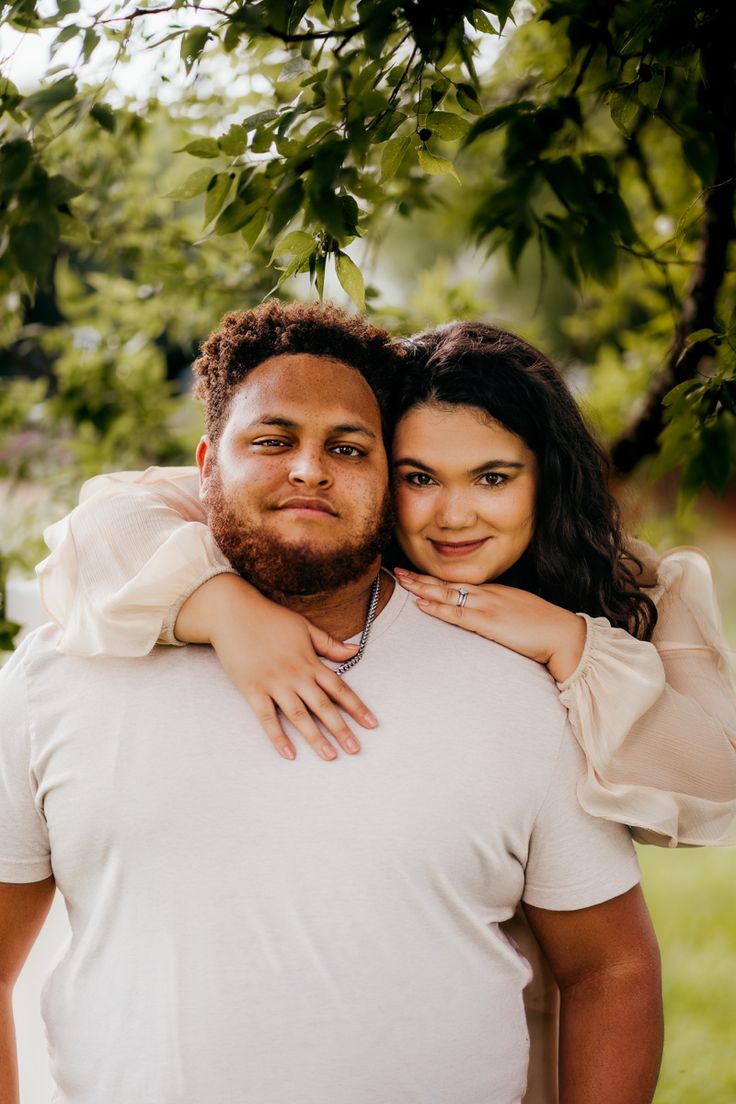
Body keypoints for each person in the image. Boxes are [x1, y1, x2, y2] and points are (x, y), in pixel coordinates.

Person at [35, 315, 736, 1103]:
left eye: (494, 478)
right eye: (418, 476)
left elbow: (709, 782)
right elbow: (107, 524)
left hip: (516, 1009)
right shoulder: (314, 508)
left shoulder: (624, 591)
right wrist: (222, 605)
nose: (454, 515)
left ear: (547, 478)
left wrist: (570, 641)